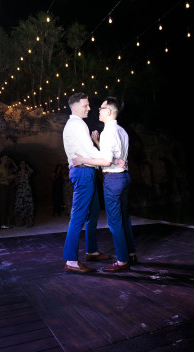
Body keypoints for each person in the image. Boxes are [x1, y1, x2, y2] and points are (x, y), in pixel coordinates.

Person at [72, 96, 137, 272]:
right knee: (125, 218)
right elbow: (115, 157)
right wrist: (98, 142)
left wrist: (81, 159)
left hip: (113, 180)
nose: (98, 110)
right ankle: (131, 253)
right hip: (124, 178)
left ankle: (122, 261)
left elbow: (107, 162)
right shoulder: (122, 131)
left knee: (114, 223)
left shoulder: (108, 132)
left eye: (101, 108)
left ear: (108, 111)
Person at [62, 92, 124, 274]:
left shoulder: (75, 124)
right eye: (85, 105)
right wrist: (113, 160)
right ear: (74, 107)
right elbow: (90, 151)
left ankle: (91, 251)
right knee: (78, 217)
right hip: (82, 173)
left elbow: (87, 151)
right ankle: (71, 261)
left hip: (87, 172)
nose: (89, 108)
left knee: (94, 210)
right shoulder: (77, 124)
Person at [0, 155, 16, 229]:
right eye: (4, 158)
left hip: (5, 187)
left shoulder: (5, 168)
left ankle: (1, 222)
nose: (6, 160)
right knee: (3, 205)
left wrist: (11, 178)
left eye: (7, 158)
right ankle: (2, 224)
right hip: (2, 188)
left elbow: (6, 179)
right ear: (1, 159)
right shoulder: (0, 167)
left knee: (4, 205)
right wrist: (9, 177)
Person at [14, 160, 34, 227]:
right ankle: (21, 221)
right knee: (20, 205)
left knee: (28, 204)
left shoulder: (27, 171)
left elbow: (32, 172)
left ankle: (30, 221)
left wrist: (27, 167)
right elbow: (15, 182)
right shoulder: (18, 172)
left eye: (24, 163)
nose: (23, 164)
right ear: (19, 165)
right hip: (20, 189)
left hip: (27, 189)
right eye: (21, 163)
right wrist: (20, 179)